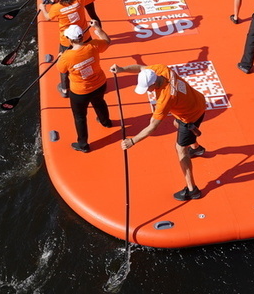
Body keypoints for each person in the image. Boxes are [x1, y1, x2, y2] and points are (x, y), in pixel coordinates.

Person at [110, 63, 208, 201]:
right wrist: (122, 69)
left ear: (154, 83)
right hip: (196, 101)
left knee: (180, 149)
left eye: (148, 88)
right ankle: (196, 148)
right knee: (176, 123)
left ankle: (192, 190)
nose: (148, 91)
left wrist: (132, 141)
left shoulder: (165, 98)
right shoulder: (160, 69)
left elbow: (153, 126)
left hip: (190, 116)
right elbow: (140, 68)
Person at [55, 22, 114, 153]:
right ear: (82, 36)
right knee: (99, 103)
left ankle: (83, 145)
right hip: (99, 84)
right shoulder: (93, 45)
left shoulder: (66, 57)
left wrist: (60, 57)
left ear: (70, 39)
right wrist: (98, 29)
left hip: (80, 92)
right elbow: (107, 41)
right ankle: (106, 122)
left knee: (80, 117)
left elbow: (61, 69)